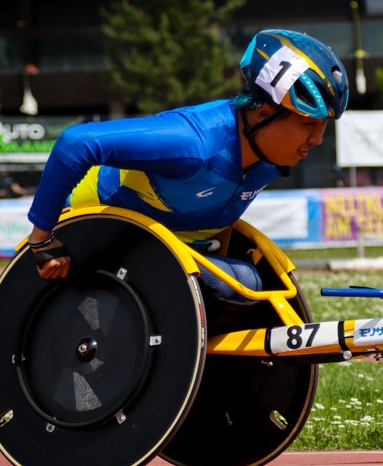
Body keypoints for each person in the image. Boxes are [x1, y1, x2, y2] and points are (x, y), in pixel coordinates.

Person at [24, 29, 348, 303]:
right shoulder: (192, 142)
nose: (318, 139)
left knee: (248, 280)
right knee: (236, 283)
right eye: (309, 125)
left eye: (324, 127)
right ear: (264, 114)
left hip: (164, 250)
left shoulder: (273, 156)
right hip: (88, 238)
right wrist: (42, 241)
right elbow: (74, 144)